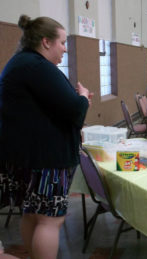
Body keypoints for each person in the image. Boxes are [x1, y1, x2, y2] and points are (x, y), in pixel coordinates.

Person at [0, 15, 91, 259]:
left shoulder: (21, 63)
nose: (65, 48)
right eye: (62, 42)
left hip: (27, 155)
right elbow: (74, 110)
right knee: (50, 220)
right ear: (46, 42)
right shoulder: (37, 66)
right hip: (45, 160)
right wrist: (82, 97)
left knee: (32, 214)